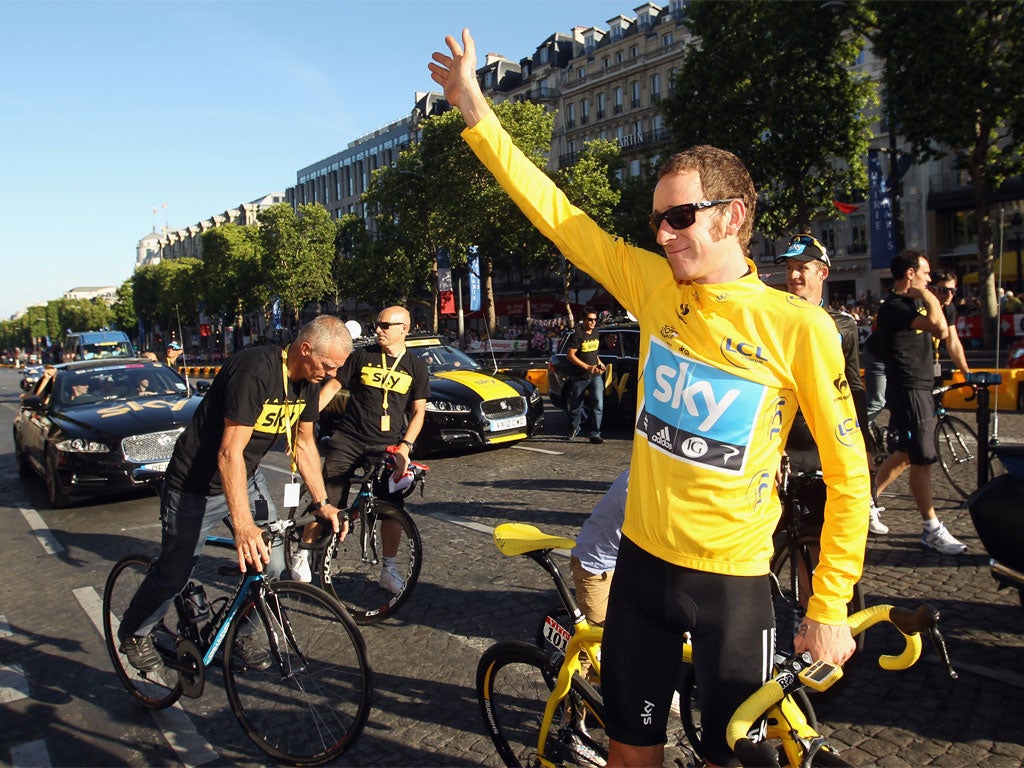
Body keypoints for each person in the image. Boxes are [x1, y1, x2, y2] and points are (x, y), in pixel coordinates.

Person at [430, 31, 870, 767]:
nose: (663, 235)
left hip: (731, 587)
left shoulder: (797, 326)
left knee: (741, 761)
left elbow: (850, 472)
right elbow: (558, 215)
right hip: (640, 572)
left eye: (679, 218)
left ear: (730, 215)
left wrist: (828, 607)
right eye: (656, 221)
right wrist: (478, 111)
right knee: (631, 755)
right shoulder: (652, 283)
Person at [116, 315, 353, 673]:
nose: (332, 374)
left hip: (248, 477)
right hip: (194, 483)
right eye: (328, 365)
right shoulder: (255, 370)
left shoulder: (308, 381)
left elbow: (304, 444)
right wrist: (243, 526)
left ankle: (238, 633)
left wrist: (322, 504)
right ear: (305, 349)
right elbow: (229, 452)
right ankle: (135, 630)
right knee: (176, 571)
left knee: (272, 564)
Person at [290, 306, 429, 593]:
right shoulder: (362, 355)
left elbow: (418, 413)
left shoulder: (416, 366)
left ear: (404, 328)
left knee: (392, 508)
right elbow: (330, 388)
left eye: (385, 325)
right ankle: (302, 551)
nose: (377, 329)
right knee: (327, 496)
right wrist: (303, 421)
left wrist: (405, 448)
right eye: (376, 324)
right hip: (349, 438)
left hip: (387, 444)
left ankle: (389, 569)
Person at [775, 234, 887, 535]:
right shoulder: (771, 317)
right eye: (789, 268)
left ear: (822, 272)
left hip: (821, 444)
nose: (793, 275)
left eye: (802, 267)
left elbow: (853, 385)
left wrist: (863, 442)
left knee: (813, 535)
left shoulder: (844, 324)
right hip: (778, 441)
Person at [872, 251, 967, 555]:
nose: (930, 280)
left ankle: (867, 500)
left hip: (920, 385)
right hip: (909, 388)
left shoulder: (910, 304)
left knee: (904, 455)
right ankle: (931, 527)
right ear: (911, 273)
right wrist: (928, 295)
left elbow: (946, 332)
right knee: (922, 459)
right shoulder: (894, 306)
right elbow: (939, 328)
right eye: (926, 274)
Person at [565, 307, 606, 443]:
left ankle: (595, 434)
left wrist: (600, 363)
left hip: (595, 376)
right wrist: (587, 367)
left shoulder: (596, 332)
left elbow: (594, 353)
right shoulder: (578, 334)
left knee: (598, 404)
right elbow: (570, 355)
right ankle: (574, 427)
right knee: (576, 405)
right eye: (590, 319)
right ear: (584, 320)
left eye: (595, 320)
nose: (593, 322)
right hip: (579, 377)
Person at [930, 270, 971, 380]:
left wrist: (967, 373)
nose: (949, 295)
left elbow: (953, 343)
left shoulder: (949, 308)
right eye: (944, 290)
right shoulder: (921, 305)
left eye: (953, 291)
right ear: (932, 289)